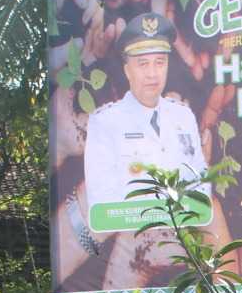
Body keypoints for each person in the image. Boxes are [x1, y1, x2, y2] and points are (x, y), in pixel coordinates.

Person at [83, 13, 209, 216]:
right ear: (127, 70)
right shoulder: (105, 122)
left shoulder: (184, 117)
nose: (152, 74)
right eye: (143, 64)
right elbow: (100, 201)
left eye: (160, 62)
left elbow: (201, 184)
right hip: (130, 242)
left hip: (184, 239)